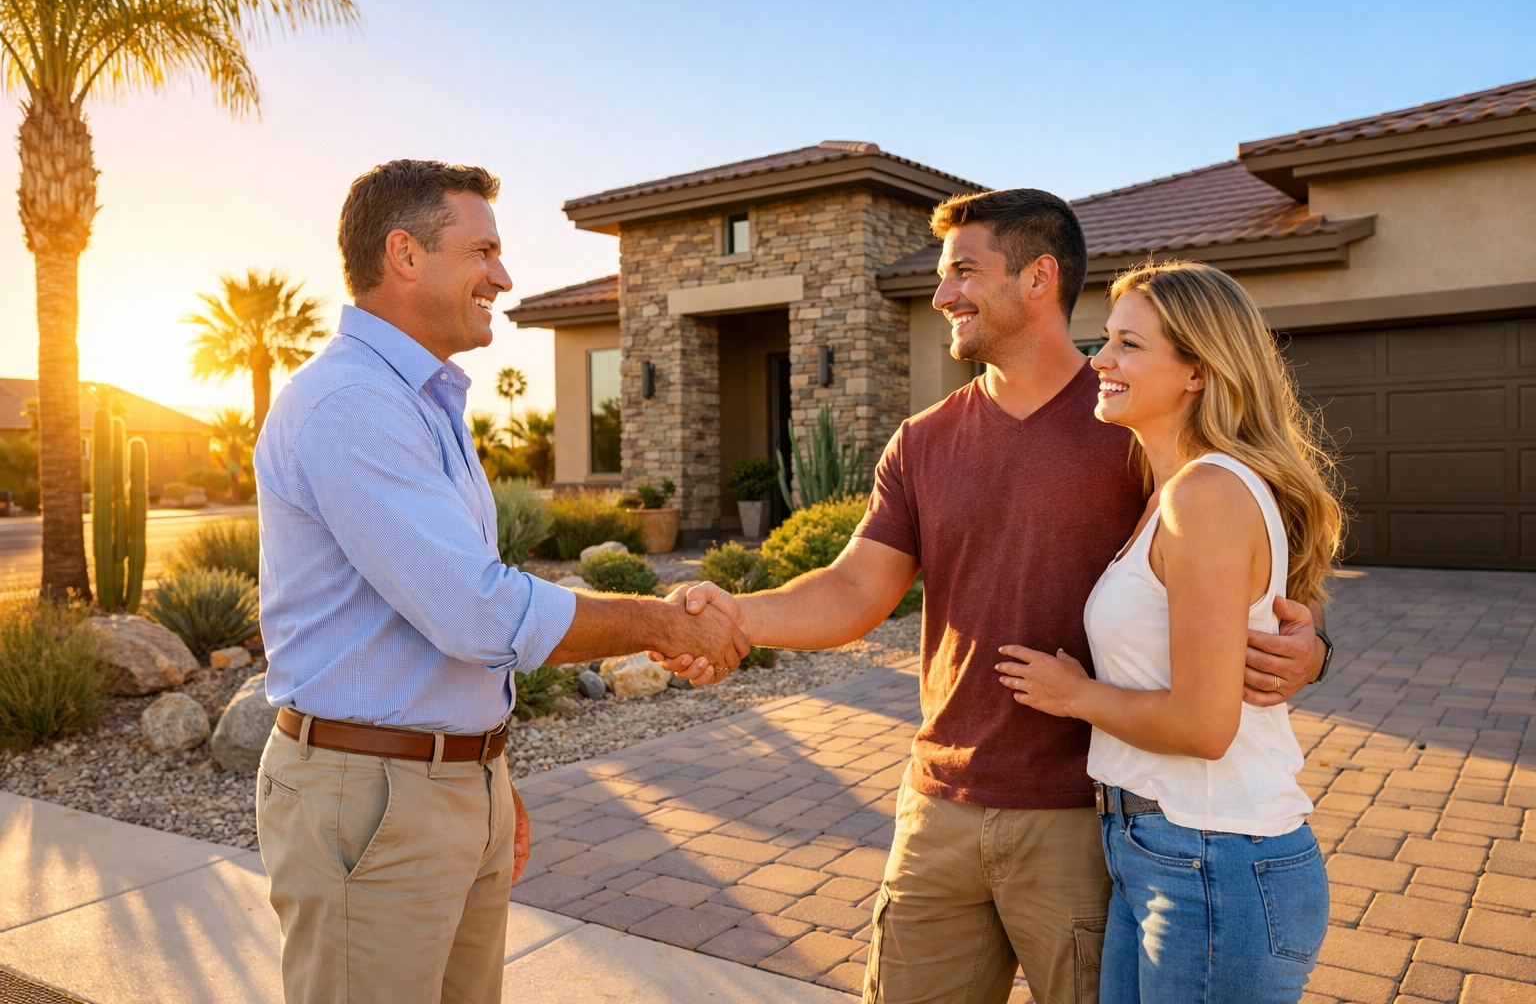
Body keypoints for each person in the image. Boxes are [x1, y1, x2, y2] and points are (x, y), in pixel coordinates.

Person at [657, 188, 1330, 1004]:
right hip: (939, 806)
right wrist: (735, 617)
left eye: (964, 273)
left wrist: (1313, 647)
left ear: (1038, 277)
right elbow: (853, 588)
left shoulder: (1137, 424)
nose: (943, 296)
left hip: (1086, 818)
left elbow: (1268, 580)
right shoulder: (926, 439)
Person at [252, 159, 748, 1004]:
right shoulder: (351, 402)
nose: (504, 276)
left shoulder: (423, 400)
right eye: (483, 251)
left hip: (437, 786)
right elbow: (478, 613)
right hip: (374, 799)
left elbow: (457, 606)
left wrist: (483, 773)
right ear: (404, 254)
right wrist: (662, 626)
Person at [996, 260, 1339, 1003]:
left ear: (1197, 371)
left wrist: (1073, 694)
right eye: (1105, 339)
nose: (1101, 360)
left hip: (1213, 855)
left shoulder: (1207, 494)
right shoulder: (1172, 493)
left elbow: (1203, 724)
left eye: (1129, 345)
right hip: (1160, 850)